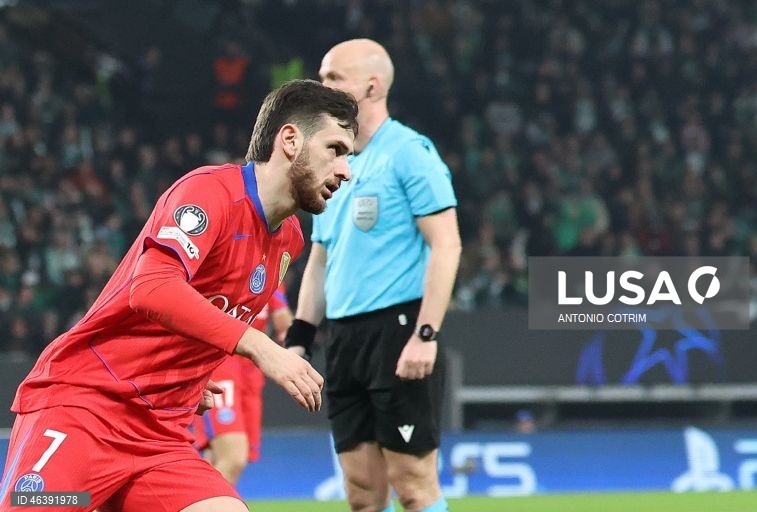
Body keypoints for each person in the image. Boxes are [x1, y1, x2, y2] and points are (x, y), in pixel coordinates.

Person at [0, 79, 358, 512]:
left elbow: (205, 309)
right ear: (289, 139)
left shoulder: (289, 241)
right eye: (335, 150)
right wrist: (261, 348)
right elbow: (152, 288)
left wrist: (187, 370)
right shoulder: (210, 192)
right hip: (85, 409)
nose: (345, 170)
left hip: (158, 437)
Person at [285, 40, 462, 512]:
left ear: (372, 85)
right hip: (343, 338)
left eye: (333, 77)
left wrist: (426, 334)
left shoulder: (409, 152)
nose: (322, 86)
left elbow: (447, 243)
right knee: (361, 492)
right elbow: (321, 258)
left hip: (398, 331)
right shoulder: (331, 162)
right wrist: (300, 338)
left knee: (413, 484)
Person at [191, 286, 293, 484]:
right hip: (219, 363)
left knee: (219, 459)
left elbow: (282, 321)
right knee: (233, 458)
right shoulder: (227, 262)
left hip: (251, 372)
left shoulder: (273, 272)